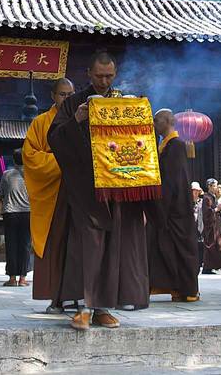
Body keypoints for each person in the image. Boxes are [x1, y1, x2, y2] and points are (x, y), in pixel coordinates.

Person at [47, 50, 149, 331]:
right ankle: (83, 306)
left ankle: (103, 307)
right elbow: (53, 139)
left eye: (109, 76)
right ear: (88, 75)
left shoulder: (122, 103)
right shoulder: (74, 103)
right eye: (99, 76)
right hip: (84, 188)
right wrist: (77, 120)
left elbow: (140, 144)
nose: (104, 81)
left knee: (113, 247)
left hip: (115, 188)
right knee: (87, 245)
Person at [25, 77, 75, 313]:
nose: (67, 98)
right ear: (53, 96)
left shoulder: (81, 120)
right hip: (53, 193)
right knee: (55, 244)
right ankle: (56, 297)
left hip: (77, 191)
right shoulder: (41, 122)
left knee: (78, 244)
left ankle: (79, 296)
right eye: (62, 94)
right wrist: (63, 162)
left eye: (71, 94)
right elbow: (31, 156)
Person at [146, 109, 199, 302]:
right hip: (167, 206)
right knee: (164, 248)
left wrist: (161, 206)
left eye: (157, 120)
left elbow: (171, 180)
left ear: (169, 121)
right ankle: (176, 287)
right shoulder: (165, 146)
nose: (154, 123)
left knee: (181, 249)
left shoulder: (175, 146)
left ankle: (189, 290)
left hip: (175, 208)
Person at [0, 149, 33, 287]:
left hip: (10, 213)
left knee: (11, 244)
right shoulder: (31, 175)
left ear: (13, 160)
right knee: (25, 245)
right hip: (27, 213)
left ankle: (12, 278)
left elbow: (0, 194)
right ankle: (23, 278)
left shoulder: (6, 175)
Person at [191, 182, 204, 270]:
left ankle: (200, 263)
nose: (195, 192)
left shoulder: (202, 202)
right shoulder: (187, 202)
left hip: (200, 225)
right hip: (190, 227)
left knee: (200, 245)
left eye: (197, 191)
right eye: (193, 190)